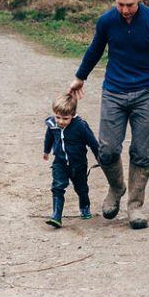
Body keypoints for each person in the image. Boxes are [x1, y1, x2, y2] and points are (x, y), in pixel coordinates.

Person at [68, 0, 149, 229]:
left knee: (141, 152)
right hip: (113, 92)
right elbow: (95, 49)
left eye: (130, 4)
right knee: (107, 149)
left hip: (146, 94)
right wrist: (80, 77)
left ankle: (135, 206)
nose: (125, 10)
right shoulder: (106, 21)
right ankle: (117, 187)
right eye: (120, 4)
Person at [43, 90, 101, 227]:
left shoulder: (80, 125)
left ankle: (84, 207)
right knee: (57, 187)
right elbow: (49, 137)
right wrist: (46, 151)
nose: (60, 121)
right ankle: (56, 216)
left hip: (78, 164)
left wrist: (100, 158)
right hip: (60, 162)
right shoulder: (52, 123)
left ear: (73, 115)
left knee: (81, 188)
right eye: (58, 117)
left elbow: (92, 142)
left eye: (65, 118)